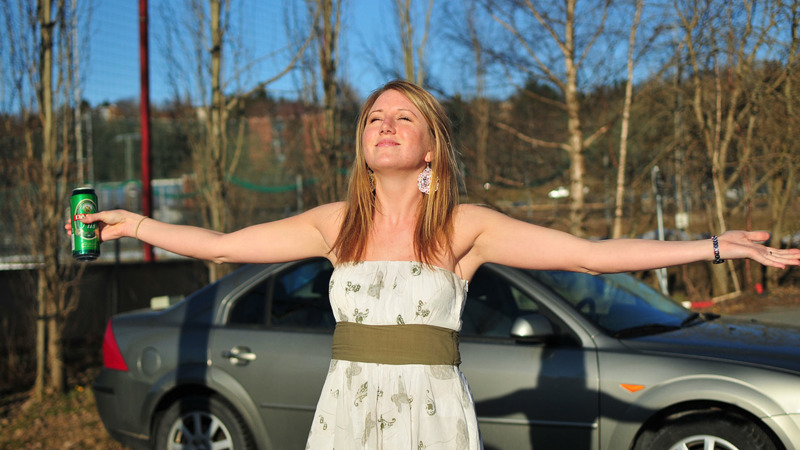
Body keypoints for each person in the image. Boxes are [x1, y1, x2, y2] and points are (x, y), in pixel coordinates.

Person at [67, 79, 799, 449]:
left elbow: (591, 256)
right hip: (347, 416)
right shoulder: (334, 224)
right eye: (374, 118)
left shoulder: (464, 227)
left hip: (432, 419)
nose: (384, 125)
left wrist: (716, 245)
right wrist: (137, 223)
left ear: (431, 149)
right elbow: (225, 245)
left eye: (403, 117)